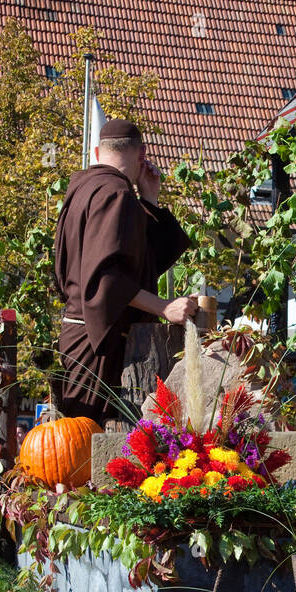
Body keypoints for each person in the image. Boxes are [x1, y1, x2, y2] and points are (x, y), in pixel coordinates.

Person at [54, 119, 198, 423]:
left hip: (79, 332)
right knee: (85, 445)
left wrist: (149, 200)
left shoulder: (82, 188)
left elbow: (138, 260)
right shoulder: (116, 193)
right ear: (142, 153)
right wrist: (164, 307)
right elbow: (108, 279)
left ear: (96, 152)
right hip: (97, 342)